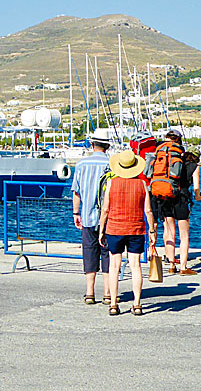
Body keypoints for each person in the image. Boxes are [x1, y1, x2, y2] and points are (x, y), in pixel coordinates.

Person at [98, 149, 156, 316]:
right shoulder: (142, 185)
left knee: (114, 266)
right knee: (136, 266)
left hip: (115, 228)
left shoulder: (111, 184)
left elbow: (105, 210)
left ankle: (114, 304)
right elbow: (148, 211)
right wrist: (152, 231)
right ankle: (137, 304)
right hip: (136, 229)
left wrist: (101, 230)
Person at [71, 130, 112, 306]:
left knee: (89, 251)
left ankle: (90, 292)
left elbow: (76, 192)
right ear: (108, 146)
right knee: (108, 253)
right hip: (108, 218)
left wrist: (76, 213)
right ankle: (108, 293)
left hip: (87, 216)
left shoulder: (81, 165)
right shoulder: (112, 165)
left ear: (92, 144)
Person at [152, 130, 185, 272]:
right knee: (180, 231)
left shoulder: (158, 150)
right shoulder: (178, 151)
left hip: (159, 189)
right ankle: (178, 265)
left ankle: (170, 260)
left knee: (167, 227)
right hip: (174, 192)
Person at [173, 150, 201, 275]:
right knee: (184, 235)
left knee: (169, 232)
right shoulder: (195, 167)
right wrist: (198, 196)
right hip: (182, 199)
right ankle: (183, 267)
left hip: (169, 198)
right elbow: (196, 187)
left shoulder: (176, 163)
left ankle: (171, 264)